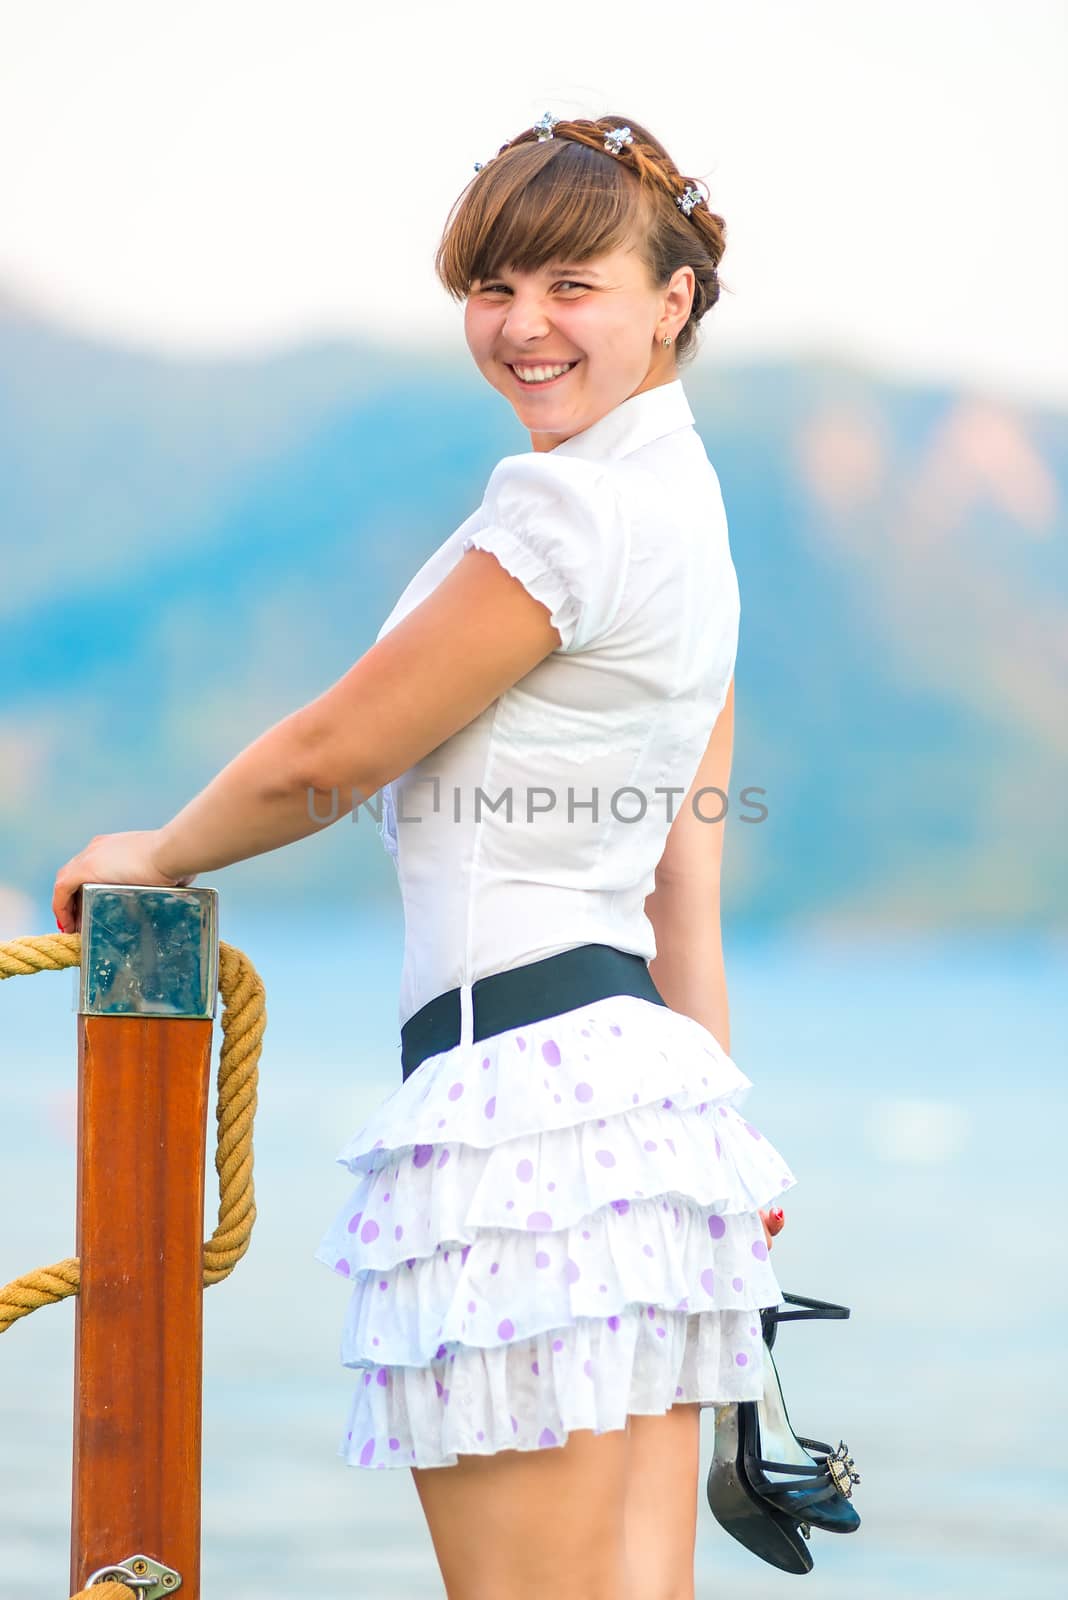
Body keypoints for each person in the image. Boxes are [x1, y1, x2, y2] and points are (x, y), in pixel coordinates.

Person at [52, 112, 795, 1600]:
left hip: (527, 1116)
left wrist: (164, 846)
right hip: (651, 1119)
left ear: (675, 301)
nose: (522, 326)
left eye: (571, 285)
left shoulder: (568, 508)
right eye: (494, 284)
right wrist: (724, 1165)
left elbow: (336, 755)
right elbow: (679, 897)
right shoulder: (694, 524)